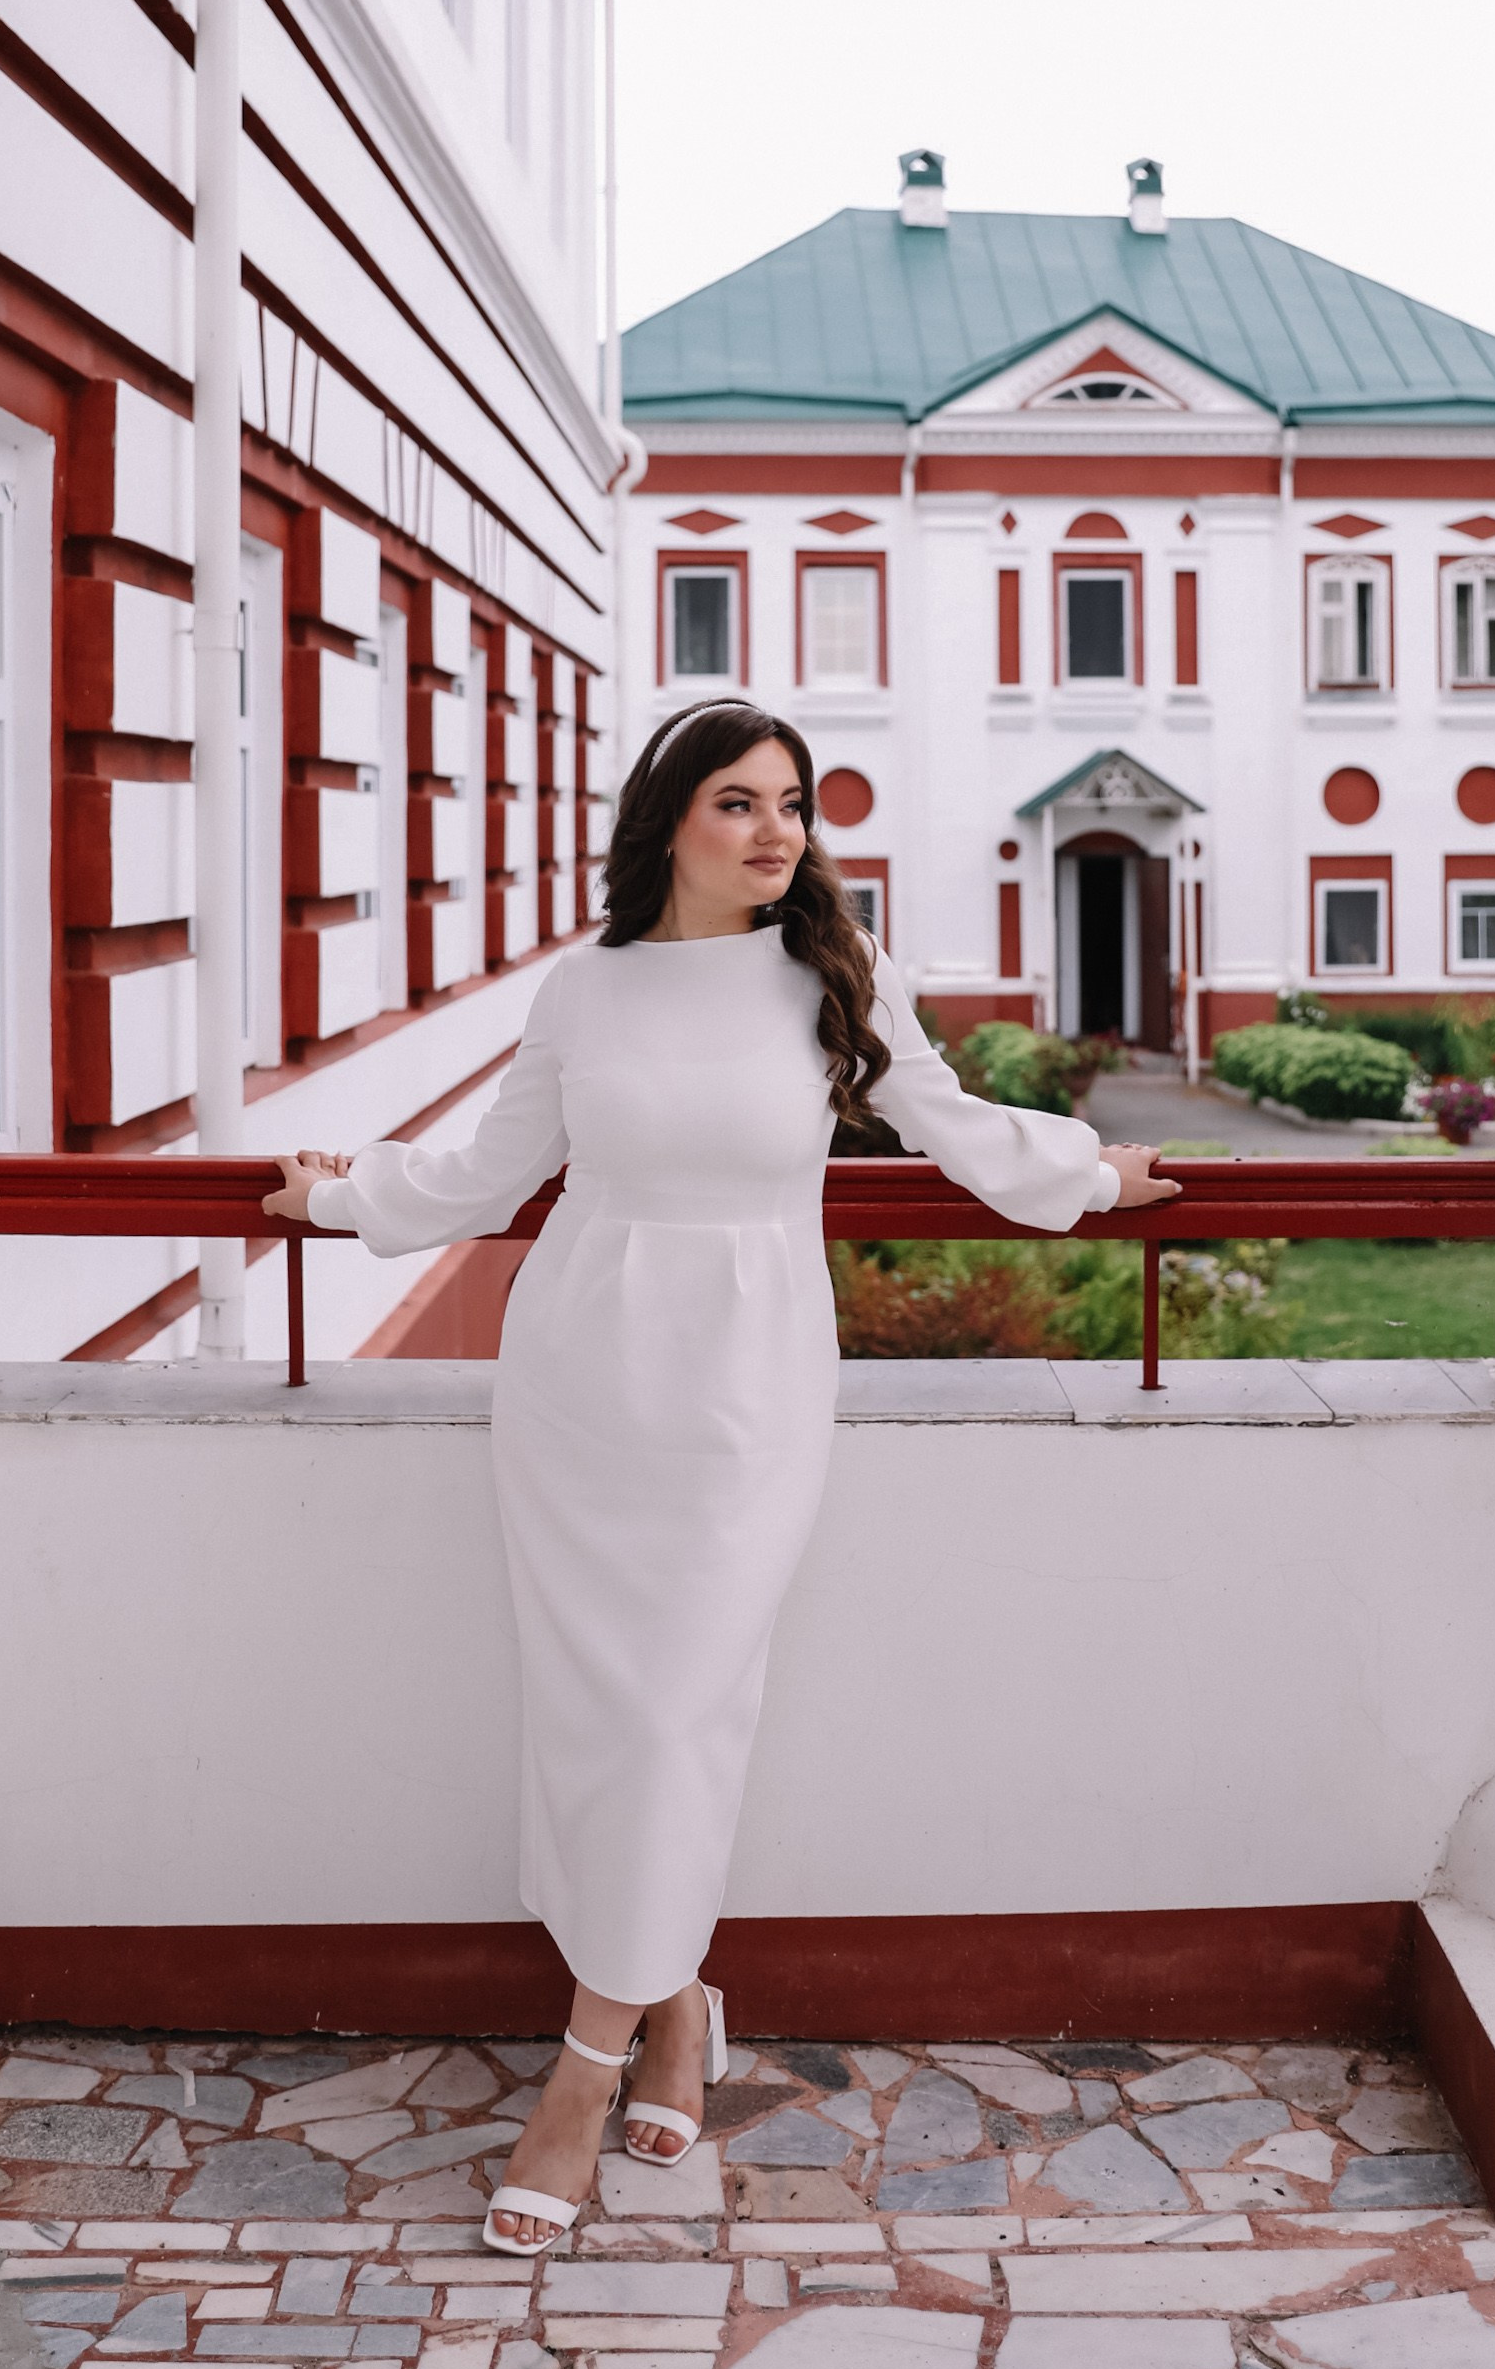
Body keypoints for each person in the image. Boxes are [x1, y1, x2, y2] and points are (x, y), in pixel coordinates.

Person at [265, 696, 1179, 2248]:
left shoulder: (831, 974)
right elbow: (490, 1171)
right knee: (605, 1714)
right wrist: (345, 1200)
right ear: (671, 820)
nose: (779, 834)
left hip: (750, 1386)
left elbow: (941, 1120)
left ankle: (580, 2073)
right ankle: (676, 2011)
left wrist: (1089, 1174)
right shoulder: (587, 991)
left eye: (795, 806)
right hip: (580, 1381)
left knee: (678, 1708)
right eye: (741, 804)